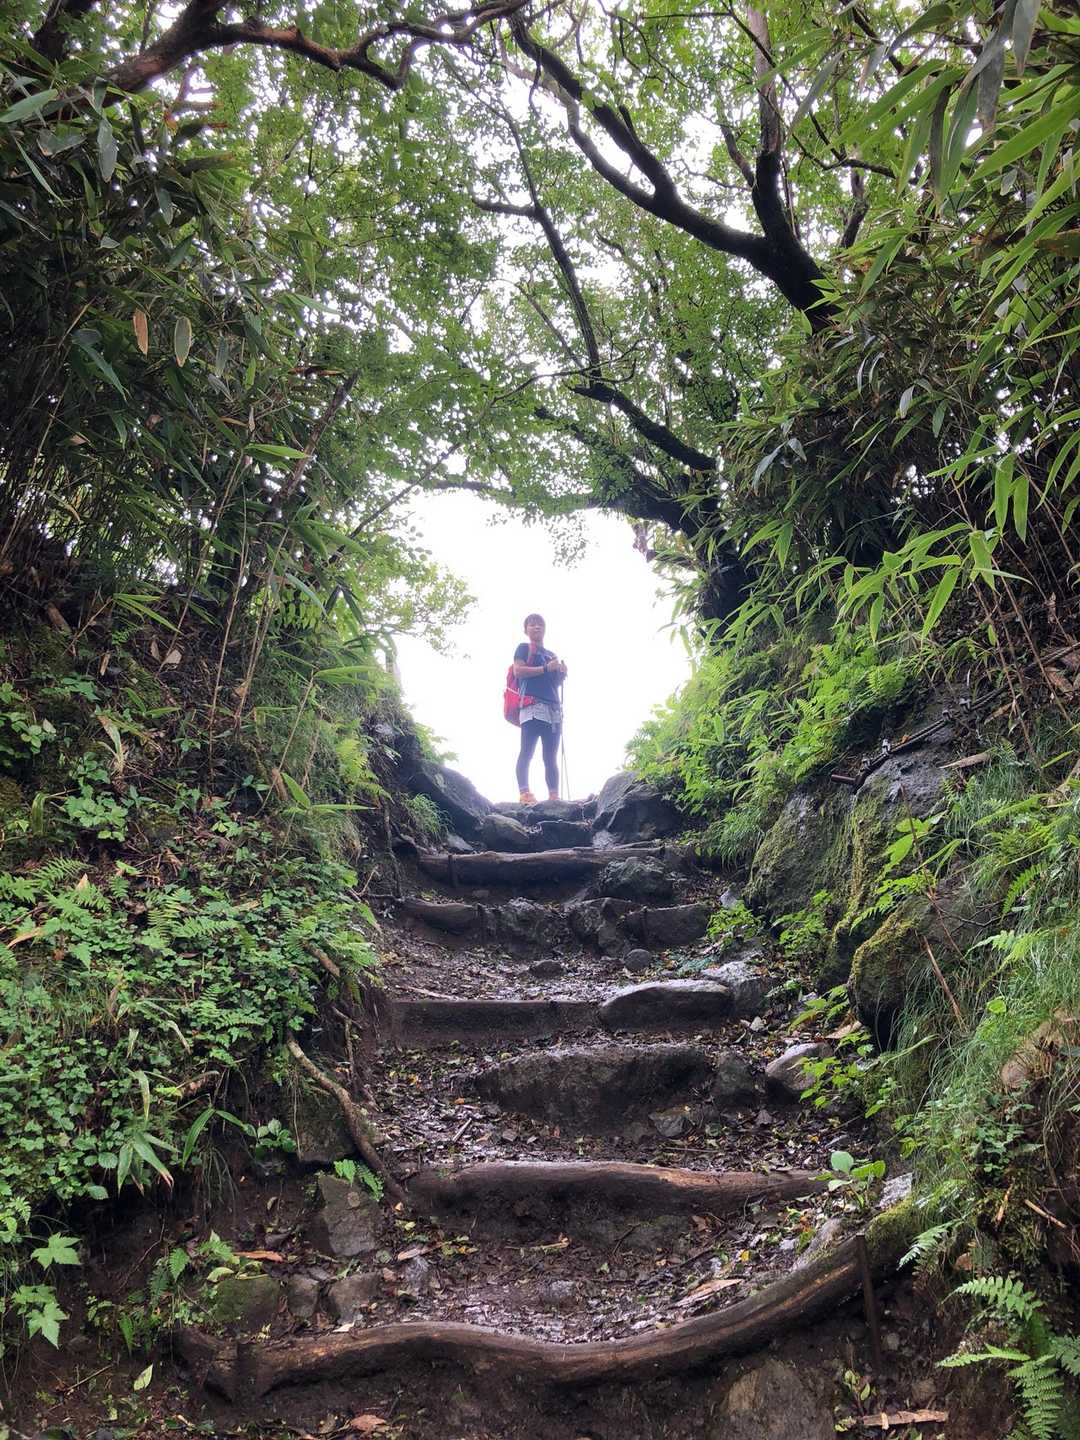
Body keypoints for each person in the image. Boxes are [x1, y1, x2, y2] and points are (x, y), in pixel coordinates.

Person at [512, 613, 567, 804]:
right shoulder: (523, 648)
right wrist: (546, 668)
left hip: (552, 709)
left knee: (550, 757)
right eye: (532, 625)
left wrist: (561, 674)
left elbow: (554, 683)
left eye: (540, 625)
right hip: (532, 705)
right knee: (527, 751)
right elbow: (518, 671)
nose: (536, 627)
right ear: (526, 630)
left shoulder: (551, 655)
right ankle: (525, 793)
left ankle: (554, 796)